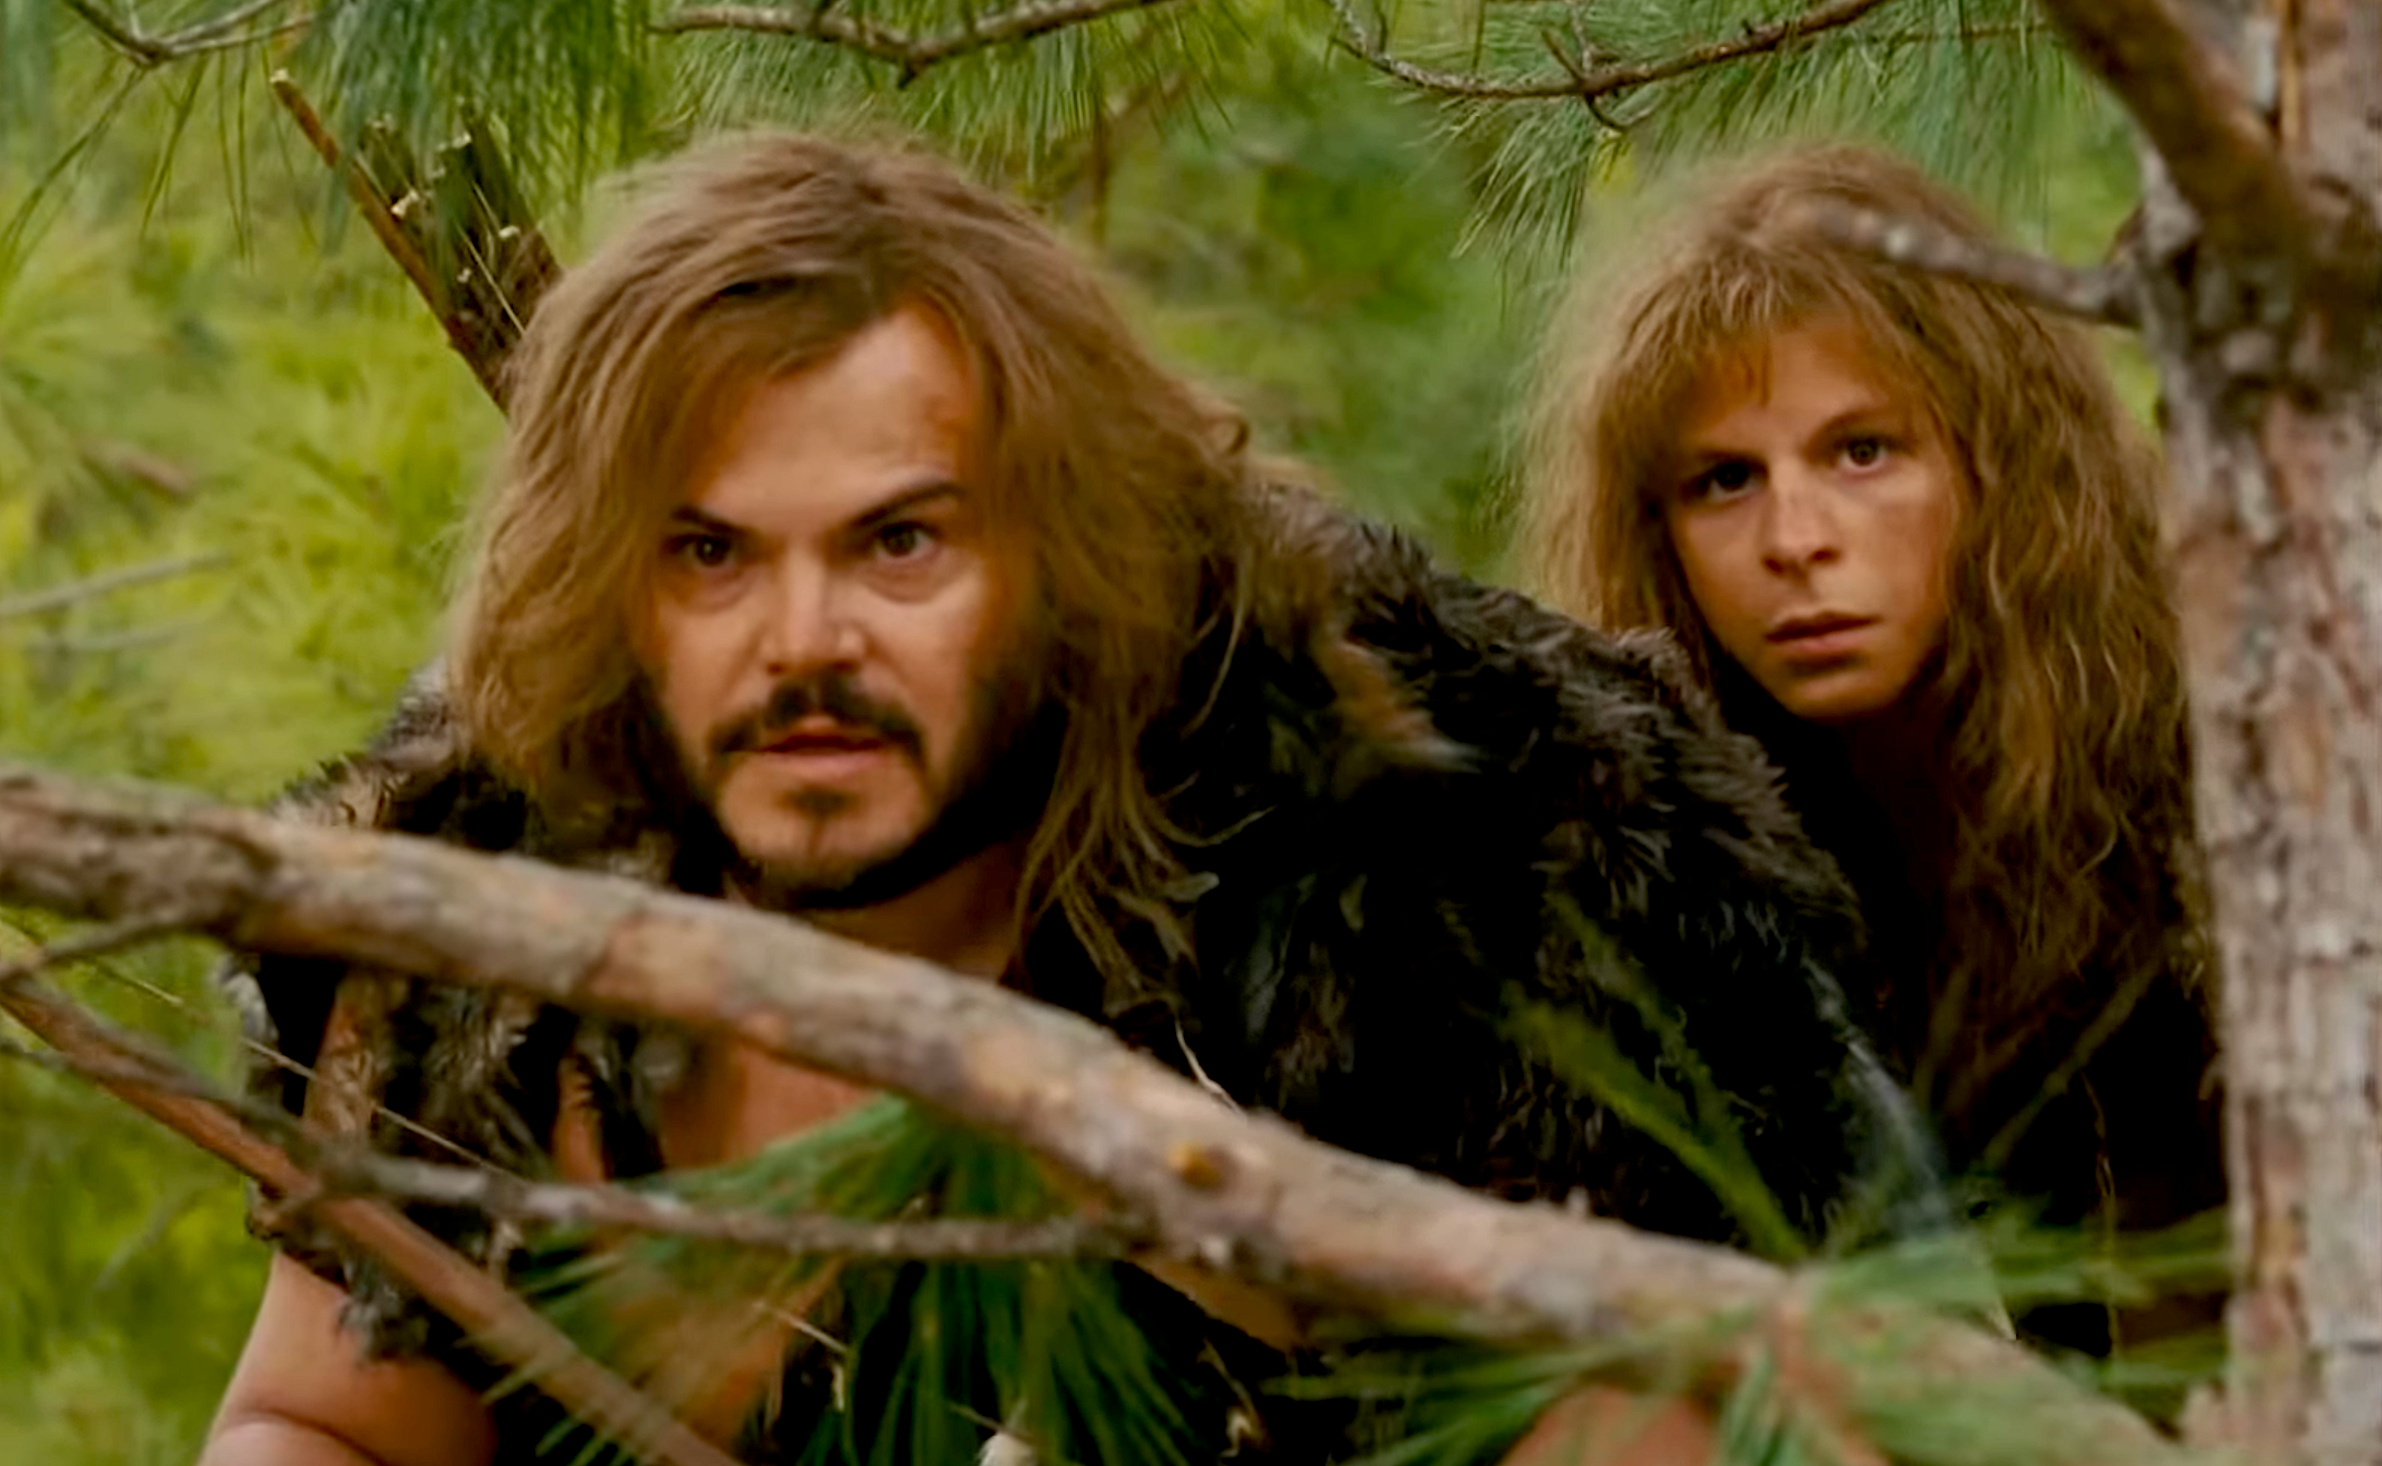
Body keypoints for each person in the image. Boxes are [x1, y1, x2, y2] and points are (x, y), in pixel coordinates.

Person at [202, 132, 1930, 1466]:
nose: (803, 644)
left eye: (898, 541)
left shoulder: (1413, 906)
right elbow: (326, 1421)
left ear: (1063, 561)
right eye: (710, 554)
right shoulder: (487, 913)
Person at [1520, 144, 2225, 1380]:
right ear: (1659, 532)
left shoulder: (2207, 757)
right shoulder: (1660, 849)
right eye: (1725, 479)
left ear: (1999, 458)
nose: (1795, 539)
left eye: (1862, 452)